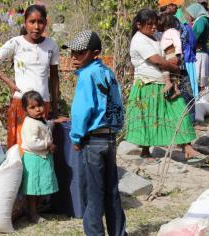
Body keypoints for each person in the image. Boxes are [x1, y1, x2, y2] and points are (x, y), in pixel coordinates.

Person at [65, 30, 127, 236]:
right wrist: (116, 129)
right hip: (109, 138)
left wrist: (76, 136)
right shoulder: (107, 72)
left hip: (92, 141)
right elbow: (117, 104)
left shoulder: (86, 75)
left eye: (80, 53)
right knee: (111, 191)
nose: (74, 57)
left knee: (93, 194)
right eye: (73, 53)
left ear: (95, 53)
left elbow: (82, 110)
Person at [126, 8, 205, 163]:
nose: (154, 27)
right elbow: (156, 60)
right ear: (139, 24)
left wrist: (175, 60)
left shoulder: (155, 36)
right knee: (148, 119)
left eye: (155, 24)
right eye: (149, 24)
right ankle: (145, 151)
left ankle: (187, 148)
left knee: (179, 111)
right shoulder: (138, 40)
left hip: (164, 83)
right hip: (147, 85)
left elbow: (168, 51)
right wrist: (175, 68)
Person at [0, 4, 59, 150]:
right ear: (25, 23)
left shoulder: (52, 45)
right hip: (21, 103)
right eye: (32, 22)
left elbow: (55, 78)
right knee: (20, 146)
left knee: (41, 146)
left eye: (40, 22)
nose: (36, 26)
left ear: (46, 23)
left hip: (43, 104)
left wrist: (55, 106)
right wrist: (10, 83)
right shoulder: (16, 42)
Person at [20, 90, 66, 223]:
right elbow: (32, 142)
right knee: (33, 189)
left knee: (40, 186)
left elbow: (45, 125)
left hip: (42, 158)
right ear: (25, 110)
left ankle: (34, 210)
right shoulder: (29, 124)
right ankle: (33, 214)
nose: (37, 110)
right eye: (32, 107)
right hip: (34, 159)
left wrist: (55, 121)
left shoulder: (40, 120)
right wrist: (47, 145)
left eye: (39, 105)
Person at [186, 3, 209, 91]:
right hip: (201, 53)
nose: (189, 16)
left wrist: (193, 42)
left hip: (199, 54)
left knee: (199, 81)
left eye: (190, 14)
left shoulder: (201, 20)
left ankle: (200, 102)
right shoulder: (203, 20)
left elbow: (199, 30)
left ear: (195, 12)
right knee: (201, 80)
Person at [157, 13, 183, 100]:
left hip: (171, 54)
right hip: (170, 54)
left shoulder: (172, 31)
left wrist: (178, 54)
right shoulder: (166, 33)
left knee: (164, 66)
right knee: (174, 74)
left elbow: (177, 42)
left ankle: (168, 82)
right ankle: (176, 89)